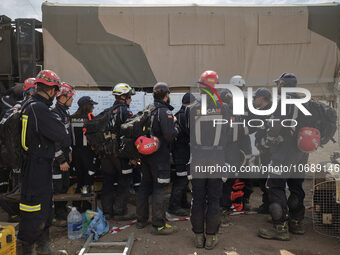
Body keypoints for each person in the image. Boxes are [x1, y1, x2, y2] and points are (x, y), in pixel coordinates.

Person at [17, 70, 68, 254]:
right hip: (36, 167)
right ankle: (27, 250)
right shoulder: (38, 109)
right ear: (52, 90)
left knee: (43, 207)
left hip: (37, 165)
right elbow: (61, 133)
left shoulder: (30, 105)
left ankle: (44, 250)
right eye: (56, 91)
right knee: (34, 210)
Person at [258, 73, 308, 241]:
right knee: (296, 185)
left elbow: (274, 129)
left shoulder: (282, 103)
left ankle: (280, 228)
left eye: (277, 84)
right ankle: (296, 222)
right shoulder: (305, 102)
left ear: (281, 85)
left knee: (275, 186)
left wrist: (265, 145)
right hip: (301, 152)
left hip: (284, 152)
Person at [188, 71, 230, 249]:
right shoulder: (225, 108)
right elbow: (227, 134)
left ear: (200, 87)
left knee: (197, 199)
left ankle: (199, 237)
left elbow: (187, 133)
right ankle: (211, 238)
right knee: (214, 200)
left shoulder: (192, 109)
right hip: (216, 159)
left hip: (198, 159)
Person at [136, 82, 178, 235]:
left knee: (145, 187)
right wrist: (175, 125)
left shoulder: (148, 109)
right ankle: (158, 225)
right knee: (160, 188)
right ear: (166, 95)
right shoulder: (164, 112)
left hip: (145, 155)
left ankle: (141, 220)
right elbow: (169, 135)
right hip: (160, 157)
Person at [101, 83, 135, 220]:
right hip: (120, 155)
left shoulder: (108, 111)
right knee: (124, 181)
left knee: (108, 182)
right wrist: (132, 156)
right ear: (123, 96)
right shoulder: (125, 112)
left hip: (106, 153)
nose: (130, 100)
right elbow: (129, 135)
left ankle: (107, 212)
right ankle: (120, 212)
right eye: (129, 97)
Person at [51, 82, 75, 227]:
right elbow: (54, 140)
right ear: (62, 97)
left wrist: (70, 151)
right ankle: (55, 216)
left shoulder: (64, 112)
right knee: (57, 187)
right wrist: (61, 160)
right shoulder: (54, 113)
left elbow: (66, 136)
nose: (72, 100)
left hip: (65, 155)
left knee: (65, 184)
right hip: (57, 160)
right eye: (70, 97)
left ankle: (61, 210)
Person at [168, 92, 195, 216]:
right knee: (181, 180)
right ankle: (174, 206)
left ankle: (183, 202)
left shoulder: (177, 115)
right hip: (183, 154)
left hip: (178, 153)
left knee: (183, 179)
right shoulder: (186, 116)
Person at [71, 96, 98, 194]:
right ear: (87, 106)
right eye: (92, 105)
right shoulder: (90, 118)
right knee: (88, 177)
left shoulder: (71, 118)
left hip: (75, 153)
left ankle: (76, 204)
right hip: (88, 153)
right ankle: (87, 204)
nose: (93, 108)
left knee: (79, 178)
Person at [252, 88, 273, 214]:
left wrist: (264, 146)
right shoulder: (261, 111)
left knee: (270, 180)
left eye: (256, 97)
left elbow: (273, 132)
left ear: (262, 98)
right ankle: (266, 205)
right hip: (264, 151)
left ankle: (272, 208)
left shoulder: (273, 111)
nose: (254, 100)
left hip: (271, 152)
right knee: (263, 179)